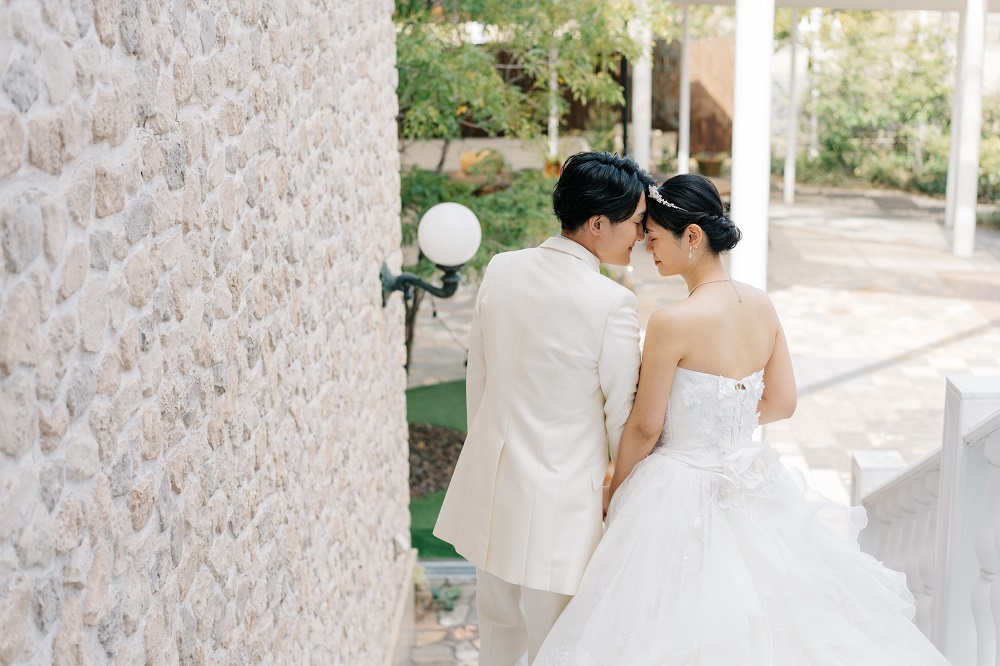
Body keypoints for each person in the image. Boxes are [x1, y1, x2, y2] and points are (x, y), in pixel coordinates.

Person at [534, 174, 950, 665]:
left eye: (655, 237)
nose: (647, 248)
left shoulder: (672, 322)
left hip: (675, 489)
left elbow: (645, 428)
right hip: (750, 478)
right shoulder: (760, 304)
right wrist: (725, 424)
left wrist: (617, 492)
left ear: (692, 236)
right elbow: (783, 402)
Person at [433, 152, 655, 665]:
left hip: (491, 496)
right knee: (557, 647)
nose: (641, 235)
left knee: (497, 644)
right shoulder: (611, 304)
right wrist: (623, 496)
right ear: (598, 224)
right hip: (561, 514)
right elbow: (622, 420)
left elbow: (479, 380)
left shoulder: (501, 268)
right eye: (636, 221)